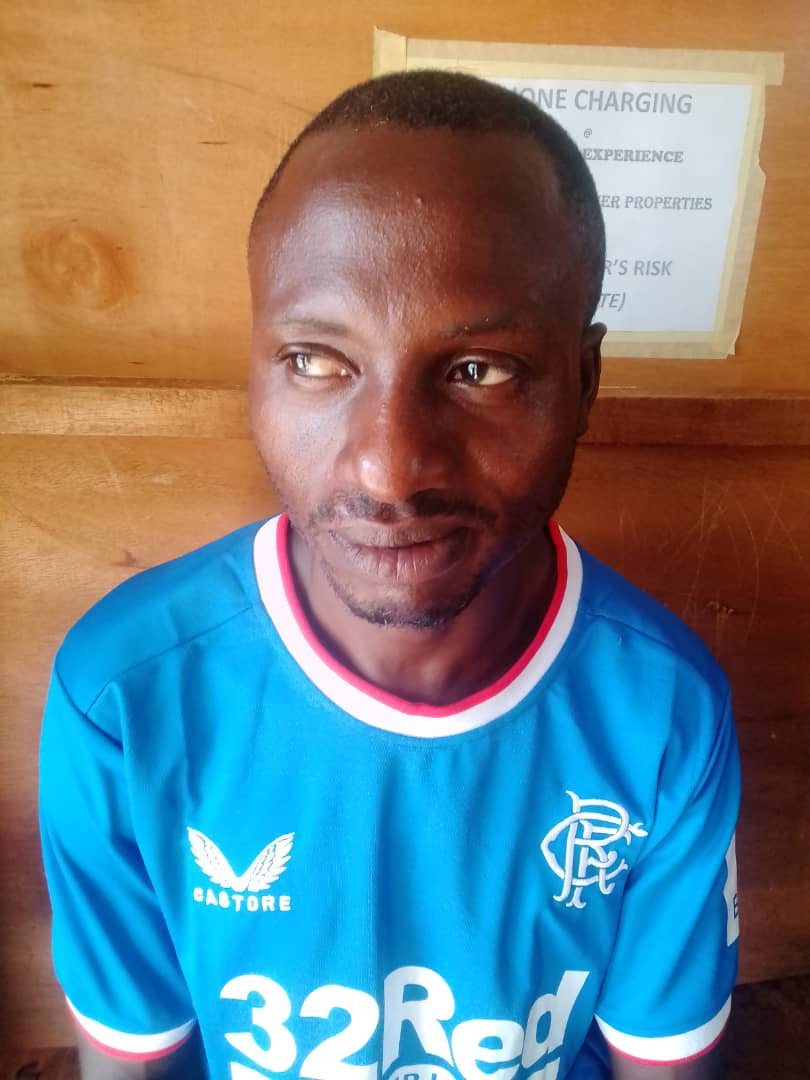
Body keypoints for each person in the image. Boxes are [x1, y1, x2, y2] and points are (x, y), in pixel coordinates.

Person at [39, 71, 740, 1080]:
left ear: (584, 383)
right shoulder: (126, 693)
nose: (389, 467)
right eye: (317, 361)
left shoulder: (662, 709)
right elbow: (129, 1060)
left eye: (478, 371)